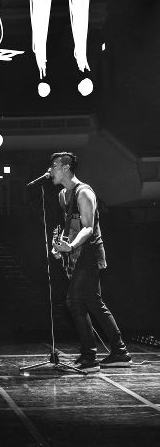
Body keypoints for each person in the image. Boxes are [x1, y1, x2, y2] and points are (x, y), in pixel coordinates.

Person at [49, 152, 131, 372]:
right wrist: (61, 247)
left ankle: (90, 357)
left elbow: (88, 227)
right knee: (94, 303)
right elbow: (70, 226)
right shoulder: (63, 195)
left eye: (54, 166)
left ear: (65, 168)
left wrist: (71, 246)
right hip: (77, 255)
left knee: (74, 301)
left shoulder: (84, 192)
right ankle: (120, 352)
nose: (50, 170)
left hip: (90, 254)